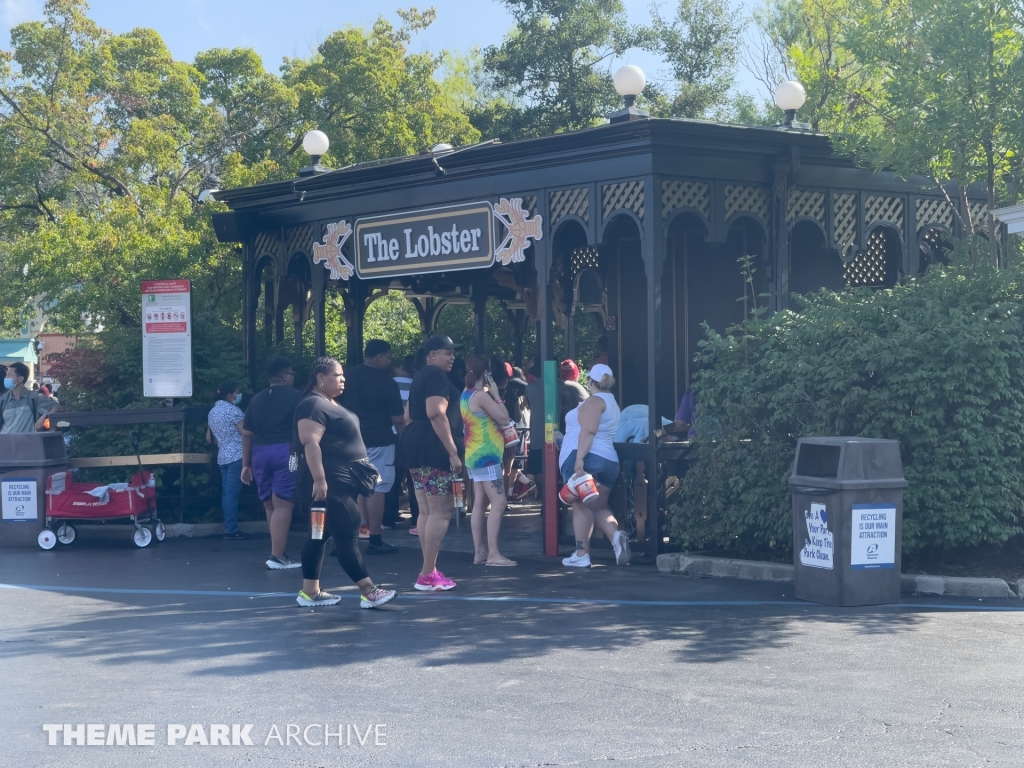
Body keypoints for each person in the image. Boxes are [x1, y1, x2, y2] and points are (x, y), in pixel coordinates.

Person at [293, 357, 396, 609]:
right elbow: (310, 442)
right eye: (338, 375)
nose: (343, 380)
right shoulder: (312, 405)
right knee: (348, 533)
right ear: (321, 378)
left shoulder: (327, 403)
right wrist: (319, 480)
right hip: (330, 483)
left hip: (341, 480)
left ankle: (310, 592)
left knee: (319, 535)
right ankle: (368, 591)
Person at [395, 335, 465, 591]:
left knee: (425, 510)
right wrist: (453, 452)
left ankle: (429, 568)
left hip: (415, 445)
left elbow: (407, 415)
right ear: (432, 354)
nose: (452, 357)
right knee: (440, 511)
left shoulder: (420, 376)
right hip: (434, 448)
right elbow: (436, 412)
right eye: (447, 352)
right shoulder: (435, 376)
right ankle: (427, 573)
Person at [559, 364, 630, 568]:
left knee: (580, 506)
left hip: (587, 457)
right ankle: (615, 537)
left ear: (590, 381)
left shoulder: (594, 401)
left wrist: (580, 459)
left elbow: (588, 431)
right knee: (597, 507)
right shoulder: (612, 403)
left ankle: (581, 554)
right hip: (609, 461)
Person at [340, 340, 404, 555]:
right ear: (379, 357)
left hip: (351, 439)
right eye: (388, 357)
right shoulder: (387, 382)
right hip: (380, 439)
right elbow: (398, 418)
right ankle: (375, 537)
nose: (389, 361)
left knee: (357, 486)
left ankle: (357, 530)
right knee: (379, 487)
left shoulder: (348, 376)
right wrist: (404, 439)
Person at [241, 356, 303, 561]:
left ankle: (277, 550)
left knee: (269, 504)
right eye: (292, 374)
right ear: (286, 376)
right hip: (288, 452)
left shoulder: (256, 399)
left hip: (259, 454)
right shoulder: (297, 397)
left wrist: (245, 464)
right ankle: (277, 555)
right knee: (284, 503)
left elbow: (247, 434)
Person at [461, 356, 517, 566]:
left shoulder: (465, 395)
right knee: (499, 502)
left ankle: (480, 552)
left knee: (480, 503)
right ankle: (493, 553)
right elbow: (504, 418)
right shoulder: (481, 396)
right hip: (487, 456)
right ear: (486, 375)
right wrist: (496, 395)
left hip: (474, 454)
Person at [206, 382, 246, 539]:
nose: (239, 395)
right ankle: (231, 529)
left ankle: (229, 527)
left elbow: (209, 438)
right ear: (230, 395)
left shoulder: (212, 412)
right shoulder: (234, 411)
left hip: (222, 457)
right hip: (237, 455)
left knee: (227, 493)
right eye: (238, 392)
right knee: (232, 494)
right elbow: (245, 433)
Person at [384, 355, 419, 529]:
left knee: (393, 478)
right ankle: (417, 518)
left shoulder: (390, 383)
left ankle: (389, 516)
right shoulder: (417, 385)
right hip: (412, 435)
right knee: (414, 479)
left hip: (392, 434)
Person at [0, 362, 53, 434]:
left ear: (20, 379)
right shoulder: (3, 400)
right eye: (6, 375)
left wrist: (45, 415)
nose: (6, 378)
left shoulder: (34, 398)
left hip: (27, 443)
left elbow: (57, 407)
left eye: (9, 375)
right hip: (5, 443)